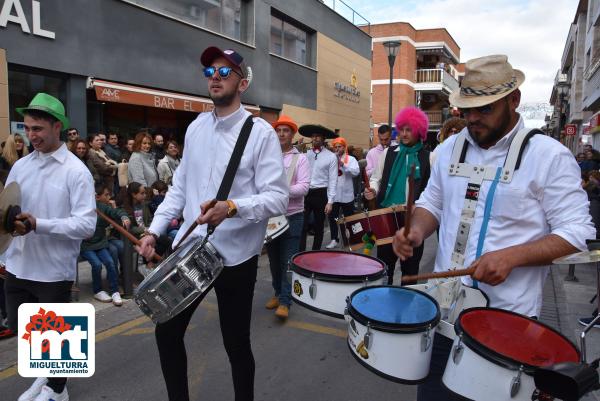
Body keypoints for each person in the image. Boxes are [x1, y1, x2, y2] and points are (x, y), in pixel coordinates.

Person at [391, 55, 595, 400]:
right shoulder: (452, 147)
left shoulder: (548, 156)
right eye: (466, 110)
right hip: (445, 315)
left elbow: (579, 231)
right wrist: (416, 230)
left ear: (513, 100)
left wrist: (512, 257)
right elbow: (432, 202)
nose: (472, 119)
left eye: (484, 109)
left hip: (507, 324)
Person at [137, 46, 287, 401]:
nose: (215, 78)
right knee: (167, 332)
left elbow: (278, 197)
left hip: (236, 257)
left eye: (224, 72)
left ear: (242, 82)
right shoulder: (196, 128)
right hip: (191, 252)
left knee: (236, 344)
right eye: (209, 73)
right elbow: (179, 188)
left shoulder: (261, 133)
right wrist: (153, 230)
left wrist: (232, 207)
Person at [6, 93, 96, 401]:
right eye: (28, 128)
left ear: (57, 127)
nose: (31, 135)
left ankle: (57, 390)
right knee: (25, 331)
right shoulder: (20, 167)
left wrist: (39, 224)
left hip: (54, 270)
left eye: (38, 129)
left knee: (57, 336)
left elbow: (86, 226)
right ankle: (46, 376)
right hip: (18, 264)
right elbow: (8, 210)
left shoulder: (77, 171)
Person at [365, 106, 431, 284]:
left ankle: (406, 306)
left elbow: (431, 190)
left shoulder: (428, 157)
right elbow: (376, 178)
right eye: (401, 129)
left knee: (410, 270)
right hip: (386, 216)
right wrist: (372, 189)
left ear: (419, 130)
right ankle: (384, 304)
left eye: (409, 129)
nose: (404, 133)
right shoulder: (388, 153)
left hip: (413, 219)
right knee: (384, 267)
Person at [265, 115, 310, 319]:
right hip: (272, 217)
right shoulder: (268, 157)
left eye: (285, 130)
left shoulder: (300, 159)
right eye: (278, 130)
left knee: (287, 261)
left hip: (293, 216)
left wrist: (280, 191)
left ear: (292, 134)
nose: (281, 134)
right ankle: (277, 292)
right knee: (274, 260)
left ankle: (285, 300)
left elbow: (304, 187)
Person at [80, 183, 130, 306]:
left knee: (110, 263)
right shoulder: (80, 208)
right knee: (97, 265)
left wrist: (123, 216)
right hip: (85, 245)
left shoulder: (101, 207)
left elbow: (115, 212)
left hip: (100, 243)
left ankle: (114, 291)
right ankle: (98, 291)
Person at [298, 124, 337, 251]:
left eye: (318, 136)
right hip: (305, 193)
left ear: (323, 139)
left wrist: (330, 201)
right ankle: (301, 253)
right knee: (302, 226)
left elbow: (333, 180)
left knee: (319, 226)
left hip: (321, 194)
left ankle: (315, 253)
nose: (315, 139)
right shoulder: (305, 154)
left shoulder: (331, 157)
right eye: (313, 136)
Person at [326, 137, 359, 249]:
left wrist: (343, 164)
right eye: (335, 147)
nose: (337, 149)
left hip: (347, 195)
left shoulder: (351, 159)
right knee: (333, 219)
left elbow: (355, 172)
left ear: (344, 147)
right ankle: (334, 239)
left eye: (339, 147)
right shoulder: (331, 159)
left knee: (349, 218)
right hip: (333, 195)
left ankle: (350, 239)